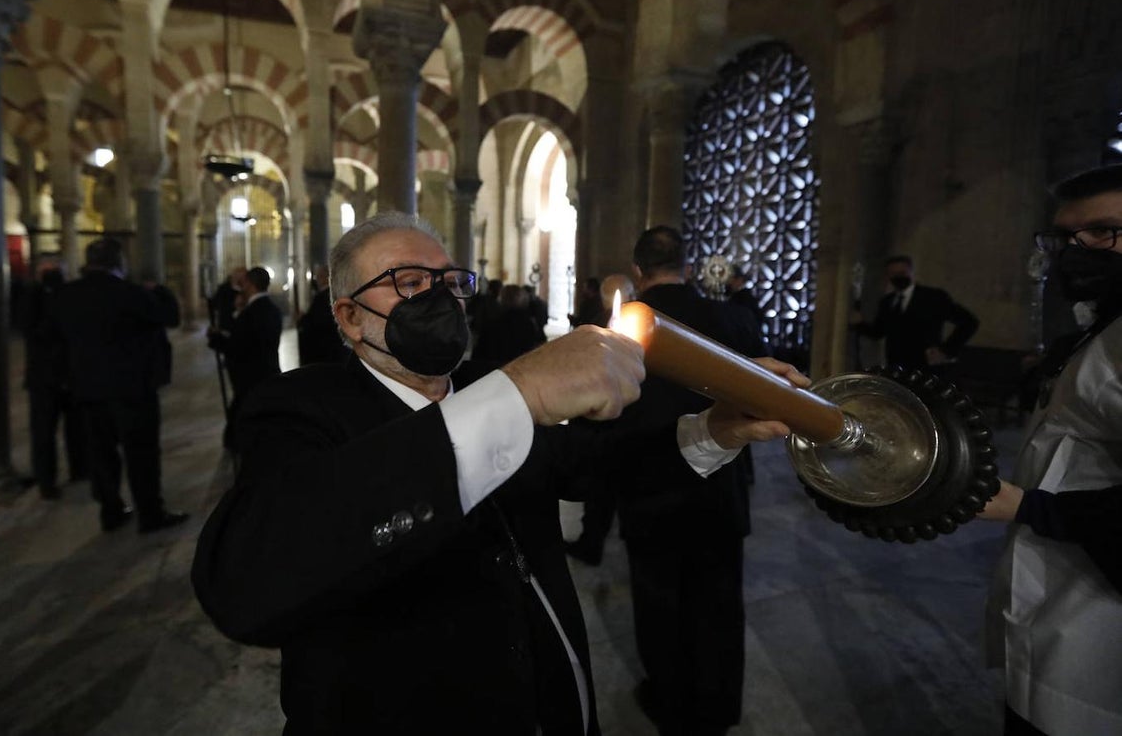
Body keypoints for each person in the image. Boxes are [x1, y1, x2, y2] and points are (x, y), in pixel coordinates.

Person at [191, 211, 806, 735]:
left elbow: (597, 465)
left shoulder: (485, 380)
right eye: (408, 282)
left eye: (451, 282)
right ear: (350, 318)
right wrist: (519, 394)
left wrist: (715, 428)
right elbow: (251, 577)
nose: (440, 298)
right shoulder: (301, 407)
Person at [979, 164, 1122, 736]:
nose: (1076, 250)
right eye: (1065, 237)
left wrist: (1030, 508)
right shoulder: (1102, 328)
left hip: (1098, 632)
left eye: (1103, 232)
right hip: (1056, 602)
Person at [612, 226, 769, 736]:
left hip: (650, 484)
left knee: (660, 604)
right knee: (719, 602)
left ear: (639, 270)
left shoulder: (620, 326)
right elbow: (762, 357)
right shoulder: (728, 317)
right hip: (720, 487)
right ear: (687, 264)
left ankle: (671, 704)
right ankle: (720, 707)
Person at [50, 238, 187, 533]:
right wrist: (159, 290)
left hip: (88, 390)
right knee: (141, 453)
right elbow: (170, 317)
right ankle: (150, 513)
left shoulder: (66, 295)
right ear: (118, 262)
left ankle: (110, 511)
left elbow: (54, 341)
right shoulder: (129, 293)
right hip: (132, 390)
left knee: (101, 454)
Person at [565, 273, 637, 566]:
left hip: (612, 424)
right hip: (610, 423)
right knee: (602, 488)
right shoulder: (594, 328)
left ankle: (594, 540)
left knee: (603, 488)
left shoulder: (593, 325)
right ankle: (593, 541)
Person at [19, 256, 88, 500]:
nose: (53, 276)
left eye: (56, 271)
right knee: (43, 431)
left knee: (77, 427)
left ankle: (80, 469)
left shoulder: (70, 295)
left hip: (71, 373)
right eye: (48, 272)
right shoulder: (32, 297)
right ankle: (46, 480)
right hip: (44, 377)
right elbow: (33, 330)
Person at [854, 254, 979, 370]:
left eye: (902, 273)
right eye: (893, 273)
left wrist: (946, 350)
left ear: (911, 273)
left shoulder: (933, 297)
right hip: (896, 367)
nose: (898, 277)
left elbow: (969, 322)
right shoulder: (887, 302)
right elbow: (879, 332)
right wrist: (859, 324)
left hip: (925, 367)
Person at [207, 266, 283, 451]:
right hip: (267, 371)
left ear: (250, 285)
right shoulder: (272, 309)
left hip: (250, 376)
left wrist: (215, 338)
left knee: (245, 419)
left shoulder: (252, 313)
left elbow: (237, 346)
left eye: (244, 283)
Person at [472, 283, 547, 369]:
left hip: (496, 370)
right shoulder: (530, 324)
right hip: (522, 370)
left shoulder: (492, 324)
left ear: (502, 299)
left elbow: (479, 354)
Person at [296, 265, 348, 365]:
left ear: (325, 277)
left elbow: (317, 322)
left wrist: (303, 319)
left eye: (318, 276)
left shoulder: (321, 298)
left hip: (324, 350)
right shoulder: (338, 294)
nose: (317, 280)